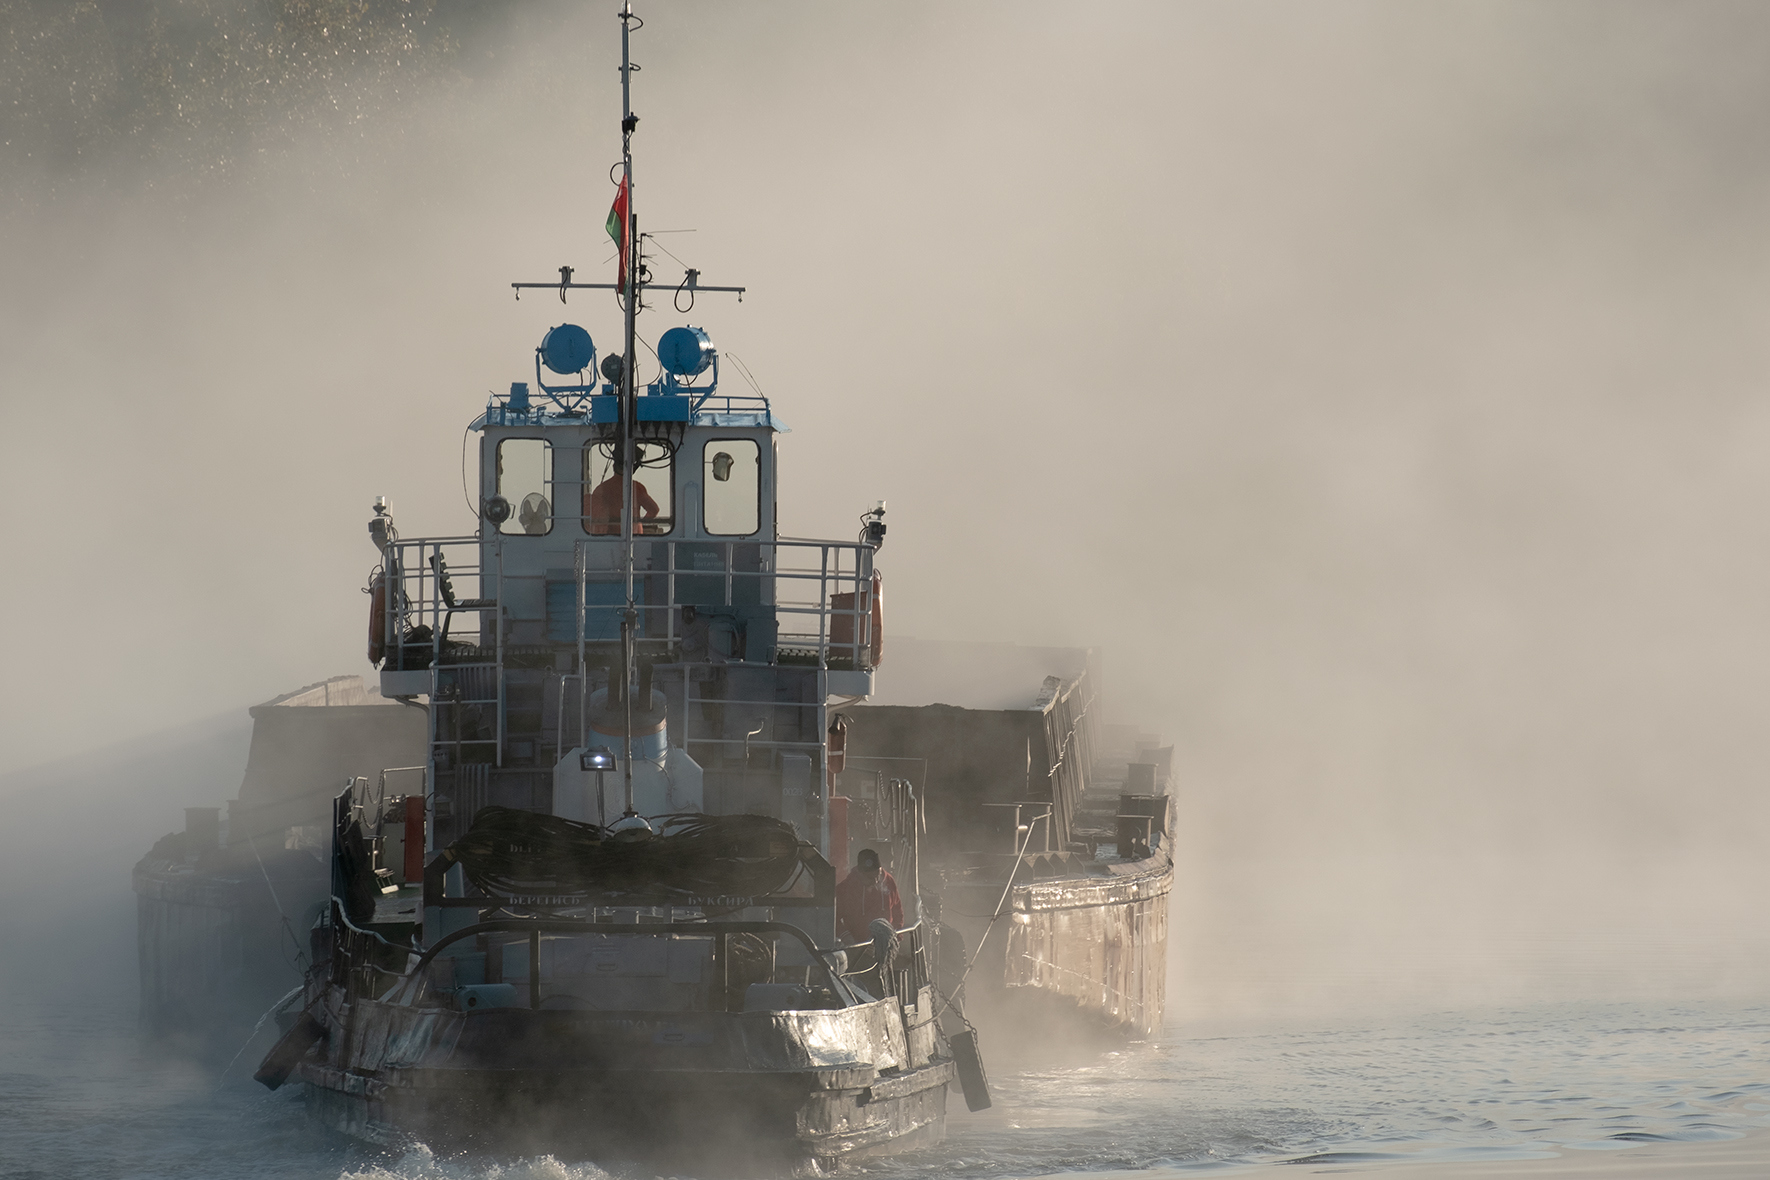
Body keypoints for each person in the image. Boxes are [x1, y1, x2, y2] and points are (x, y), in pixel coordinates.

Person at [835, 847, 903, 944]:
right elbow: (833, 918)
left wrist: (896, 934)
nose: (875, 881)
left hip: (886, 944)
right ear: (860, 873)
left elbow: (897, 909)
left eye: (877, 876)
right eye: (870, 877)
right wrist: (846, 936)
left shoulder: (889, 881)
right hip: (857, 946)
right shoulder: (846, 888)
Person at [585, 447, 660, 535]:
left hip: (608, 539)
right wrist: (638, 524)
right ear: (632, 469)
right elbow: (654, 510)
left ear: (613, 466)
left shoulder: (601, 489)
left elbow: (595, 515)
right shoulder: (636, 488)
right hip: (634, 536)